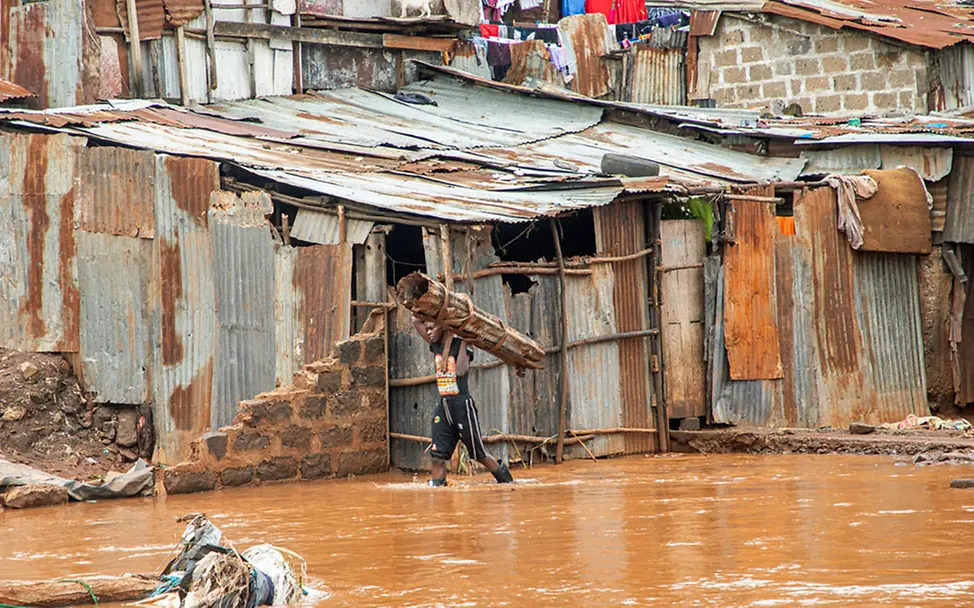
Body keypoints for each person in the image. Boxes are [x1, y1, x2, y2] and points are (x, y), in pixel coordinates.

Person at [412, 314, 514, 487]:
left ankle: (507, 483)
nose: (428, 332)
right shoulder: (435, 344)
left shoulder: (461, 345)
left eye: (432, 328)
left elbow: (460, 371)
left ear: (443, 327)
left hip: (462, 406)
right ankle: (438, 491)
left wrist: (467, 339)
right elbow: (415, 320)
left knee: (478, 454)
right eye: (427, 329)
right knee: (437, 456)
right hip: (444, 406)